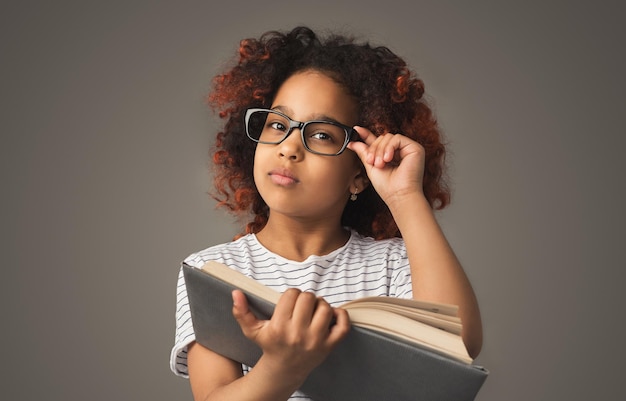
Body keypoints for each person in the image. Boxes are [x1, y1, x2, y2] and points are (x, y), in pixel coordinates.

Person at [171, 26, 482, 401]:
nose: (289, 148)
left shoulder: (396, 263)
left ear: (358, 174)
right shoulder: (212, 272)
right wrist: (284, 367)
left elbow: (460, 344)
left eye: (321, 135)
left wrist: (403, 195)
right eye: (277, 124)